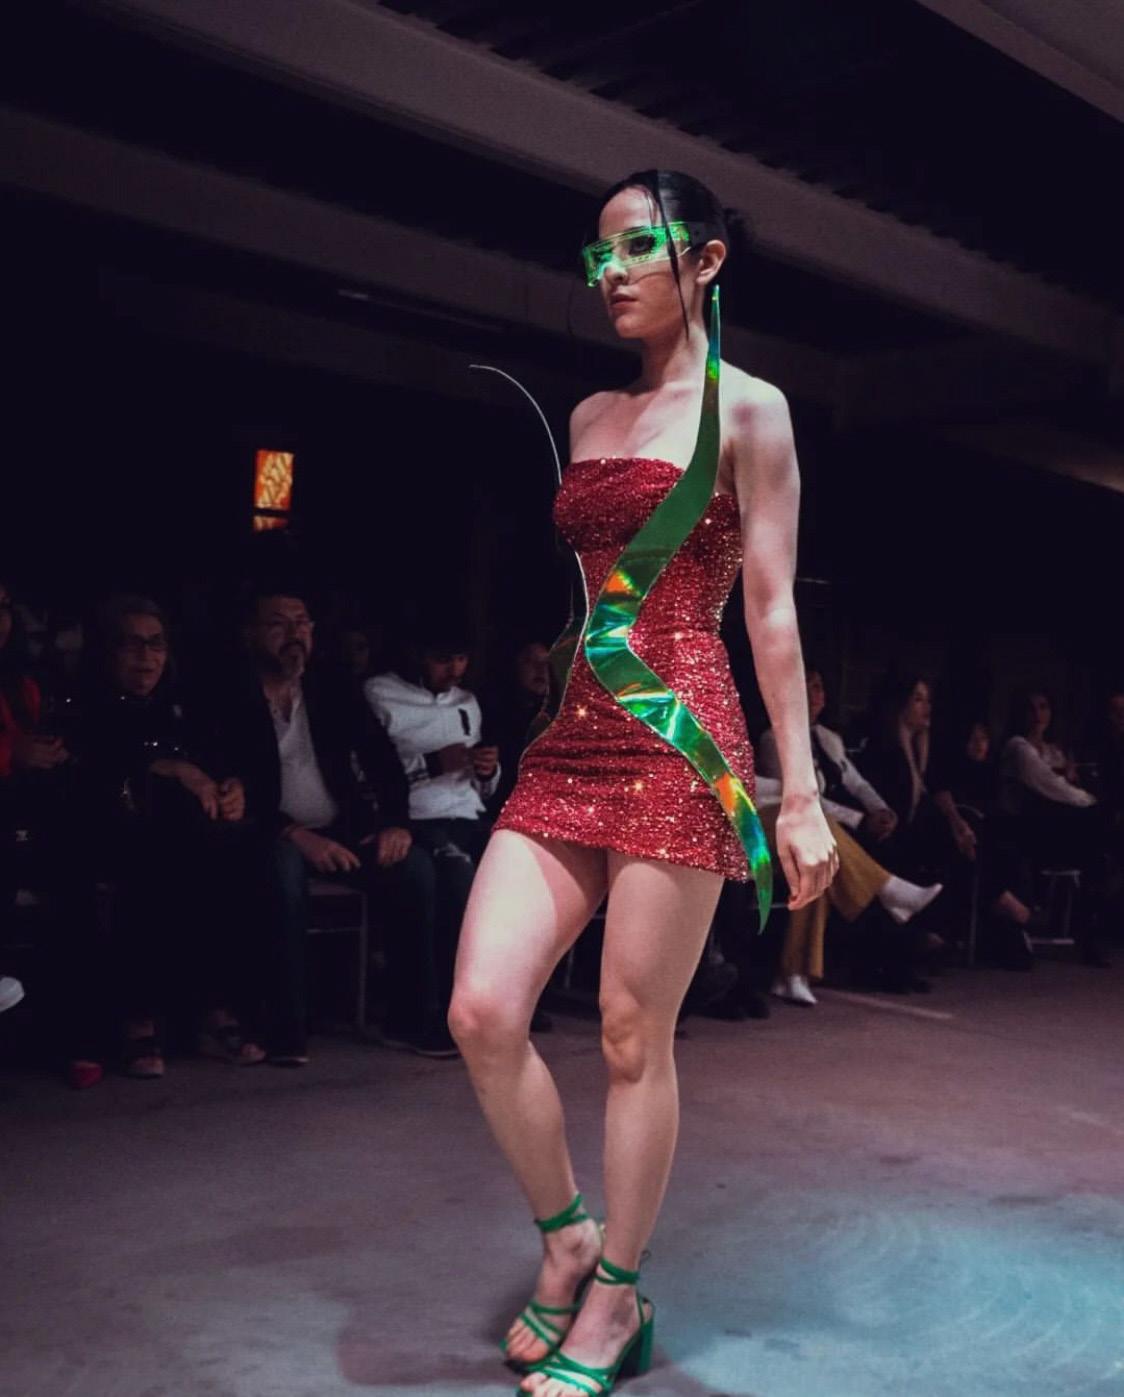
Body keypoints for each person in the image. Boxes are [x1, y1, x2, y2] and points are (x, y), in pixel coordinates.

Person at [447, 170, 836, 1396]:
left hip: (681, 738)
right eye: (596, 255)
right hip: (576, 731)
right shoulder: (587, 413)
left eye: (634, 249)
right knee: (481, 1008)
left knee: (628, 1031)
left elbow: (768, 609)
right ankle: (565, 1234)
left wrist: (797, 790)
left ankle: (616, 1293)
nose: (608, 272)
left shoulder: (752, 410)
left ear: (704, 261)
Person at [226, 587, 428, 1060]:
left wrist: (395, 822)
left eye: (302, 623)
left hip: (339, 830)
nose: (294, 634)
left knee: (414, 868)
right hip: (266, 832)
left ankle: (412, 1021)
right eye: (279, 623)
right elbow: (228, 784)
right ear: (251, 634)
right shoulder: (231, 695)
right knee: (283, 870)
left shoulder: (331, 688)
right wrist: (293, 833)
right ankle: (285, 1029)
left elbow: (383, 761)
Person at [75, 595, 266, 1078]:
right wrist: (164, 769)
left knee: (222, 860)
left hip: (188, 842)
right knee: (157, 867)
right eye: (132, 644)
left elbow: (220, 762)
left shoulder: (182, 705)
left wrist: (232, 787)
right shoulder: (85, 702)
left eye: (156, 644)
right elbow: (91, 772)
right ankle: (140, 1016)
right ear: (108, 650)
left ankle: (212, 1008)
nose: (146, 656)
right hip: (105, 837)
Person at [365, 625, 501, 1051]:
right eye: (443, 660)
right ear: (416, 655)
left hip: (466, 815)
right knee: (447, 879)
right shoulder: (379, 693)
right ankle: (422, 1014)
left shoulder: (467, 702)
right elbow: (369, 773)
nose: (454, 670)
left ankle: (495, 1007)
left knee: (516, 868)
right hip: (414, 818)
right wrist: (432, 763)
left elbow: (483, 790)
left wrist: (486, 771)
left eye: (460, 659)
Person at [999, 689, 1107, 964]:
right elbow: (1051, 786)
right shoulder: (1018, 748)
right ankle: (1085, 929)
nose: (1038, 715)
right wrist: (1089, 800)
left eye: (1043, 707)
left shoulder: (1053, 750)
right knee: (1096, 827)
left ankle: (1086, 927)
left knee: (1097, 851)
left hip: (1056, 826)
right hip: (1025, 830)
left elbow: (1064, 782)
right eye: (1032, 708)